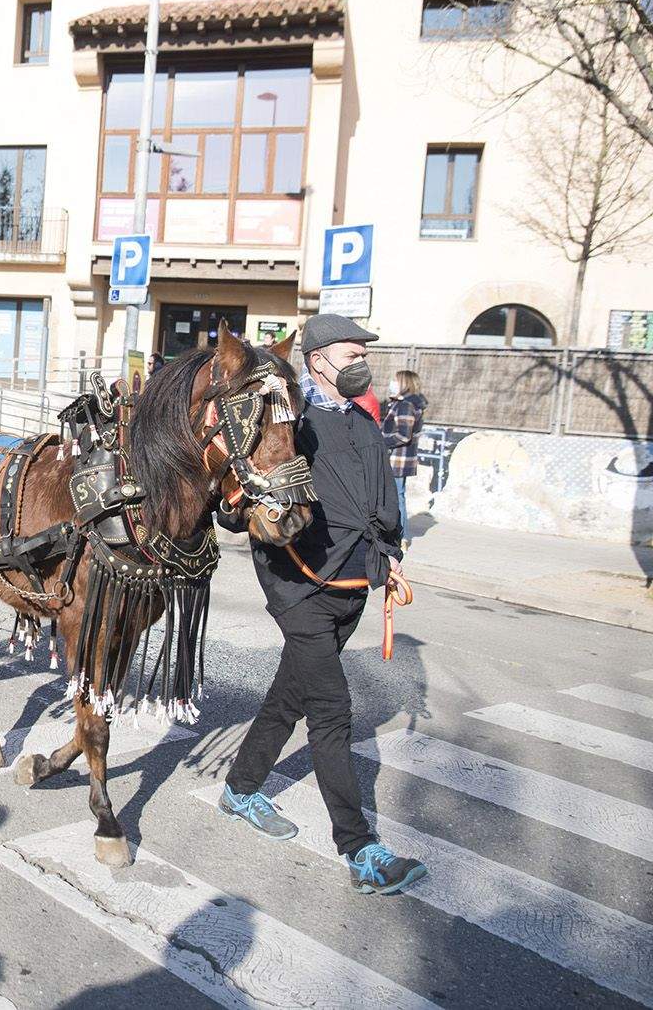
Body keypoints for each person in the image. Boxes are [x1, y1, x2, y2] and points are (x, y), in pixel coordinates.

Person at [215, 313, 427, 896]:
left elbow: (383, 502)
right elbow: (242, 487)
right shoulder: (292, 420)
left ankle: (240, 787)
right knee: (332, 712)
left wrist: (392, 552)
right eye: (350, 352)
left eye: (365, 353)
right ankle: (360, 850)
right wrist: (238, 506)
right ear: (317, 362)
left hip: (353, 587)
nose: (361, 361)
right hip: (298, 586)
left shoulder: (365, 423)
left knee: (291, 698)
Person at [382, 370, 427, 550]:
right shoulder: (401, 403)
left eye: (395, 380)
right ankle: (400, 537)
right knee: (397, 496)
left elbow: (403, 436)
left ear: (404, 383)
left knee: (397, 497)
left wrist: (381, 440)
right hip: (398, 458)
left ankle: (401, 537)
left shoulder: (405, 405)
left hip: (397, 459)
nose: (392, 383)